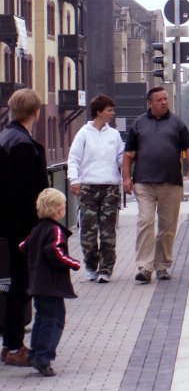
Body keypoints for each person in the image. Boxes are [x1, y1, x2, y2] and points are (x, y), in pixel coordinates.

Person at [122, 86, 189, 284]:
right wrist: (126, 178)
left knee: (167, 227)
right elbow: (128, 155)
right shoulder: (138, 124)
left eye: (166, 99)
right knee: (145, 222)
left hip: (171, 183)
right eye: (160, 99)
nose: (164, 102)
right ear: (150, 103)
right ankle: (145, 267)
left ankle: (162, 265)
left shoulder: (177, 124)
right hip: (144, 183)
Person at [0, 88, 48, 367]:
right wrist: (34, 229)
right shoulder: (22, 144)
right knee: (20, 287)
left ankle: (11, 344)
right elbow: (23, 192)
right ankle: (14, 346)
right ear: (35, 113)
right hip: (21, 228)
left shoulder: (7, 137)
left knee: (15, 287)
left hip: (9, 225)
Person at [19, 188, 80, 376]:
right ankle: (43, 357)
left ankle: (34, 352)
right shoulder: (56, 230)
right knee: (54, 320)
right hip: (51, 285)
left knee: (41, 318)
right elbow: (56, 252)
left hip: (37, 283)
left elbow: (23, 246)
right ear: (58, 210)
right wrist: (74, 263)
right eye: (63, 207)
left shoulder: (37, 229)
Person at [67, 94, 124, 283]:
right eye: (109, 110)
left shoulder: (114, 135)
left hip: (110, 187)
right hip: (88, 187)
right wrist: (74, 180)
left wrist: (126, 168)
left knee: (108, 232)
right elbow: (74, 158)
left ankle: (105, 269)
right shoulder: (83, 133)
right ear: (98, 112)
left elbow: (119, 158)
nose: (112, 113)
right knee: (88, 232)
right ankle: (91, 265)